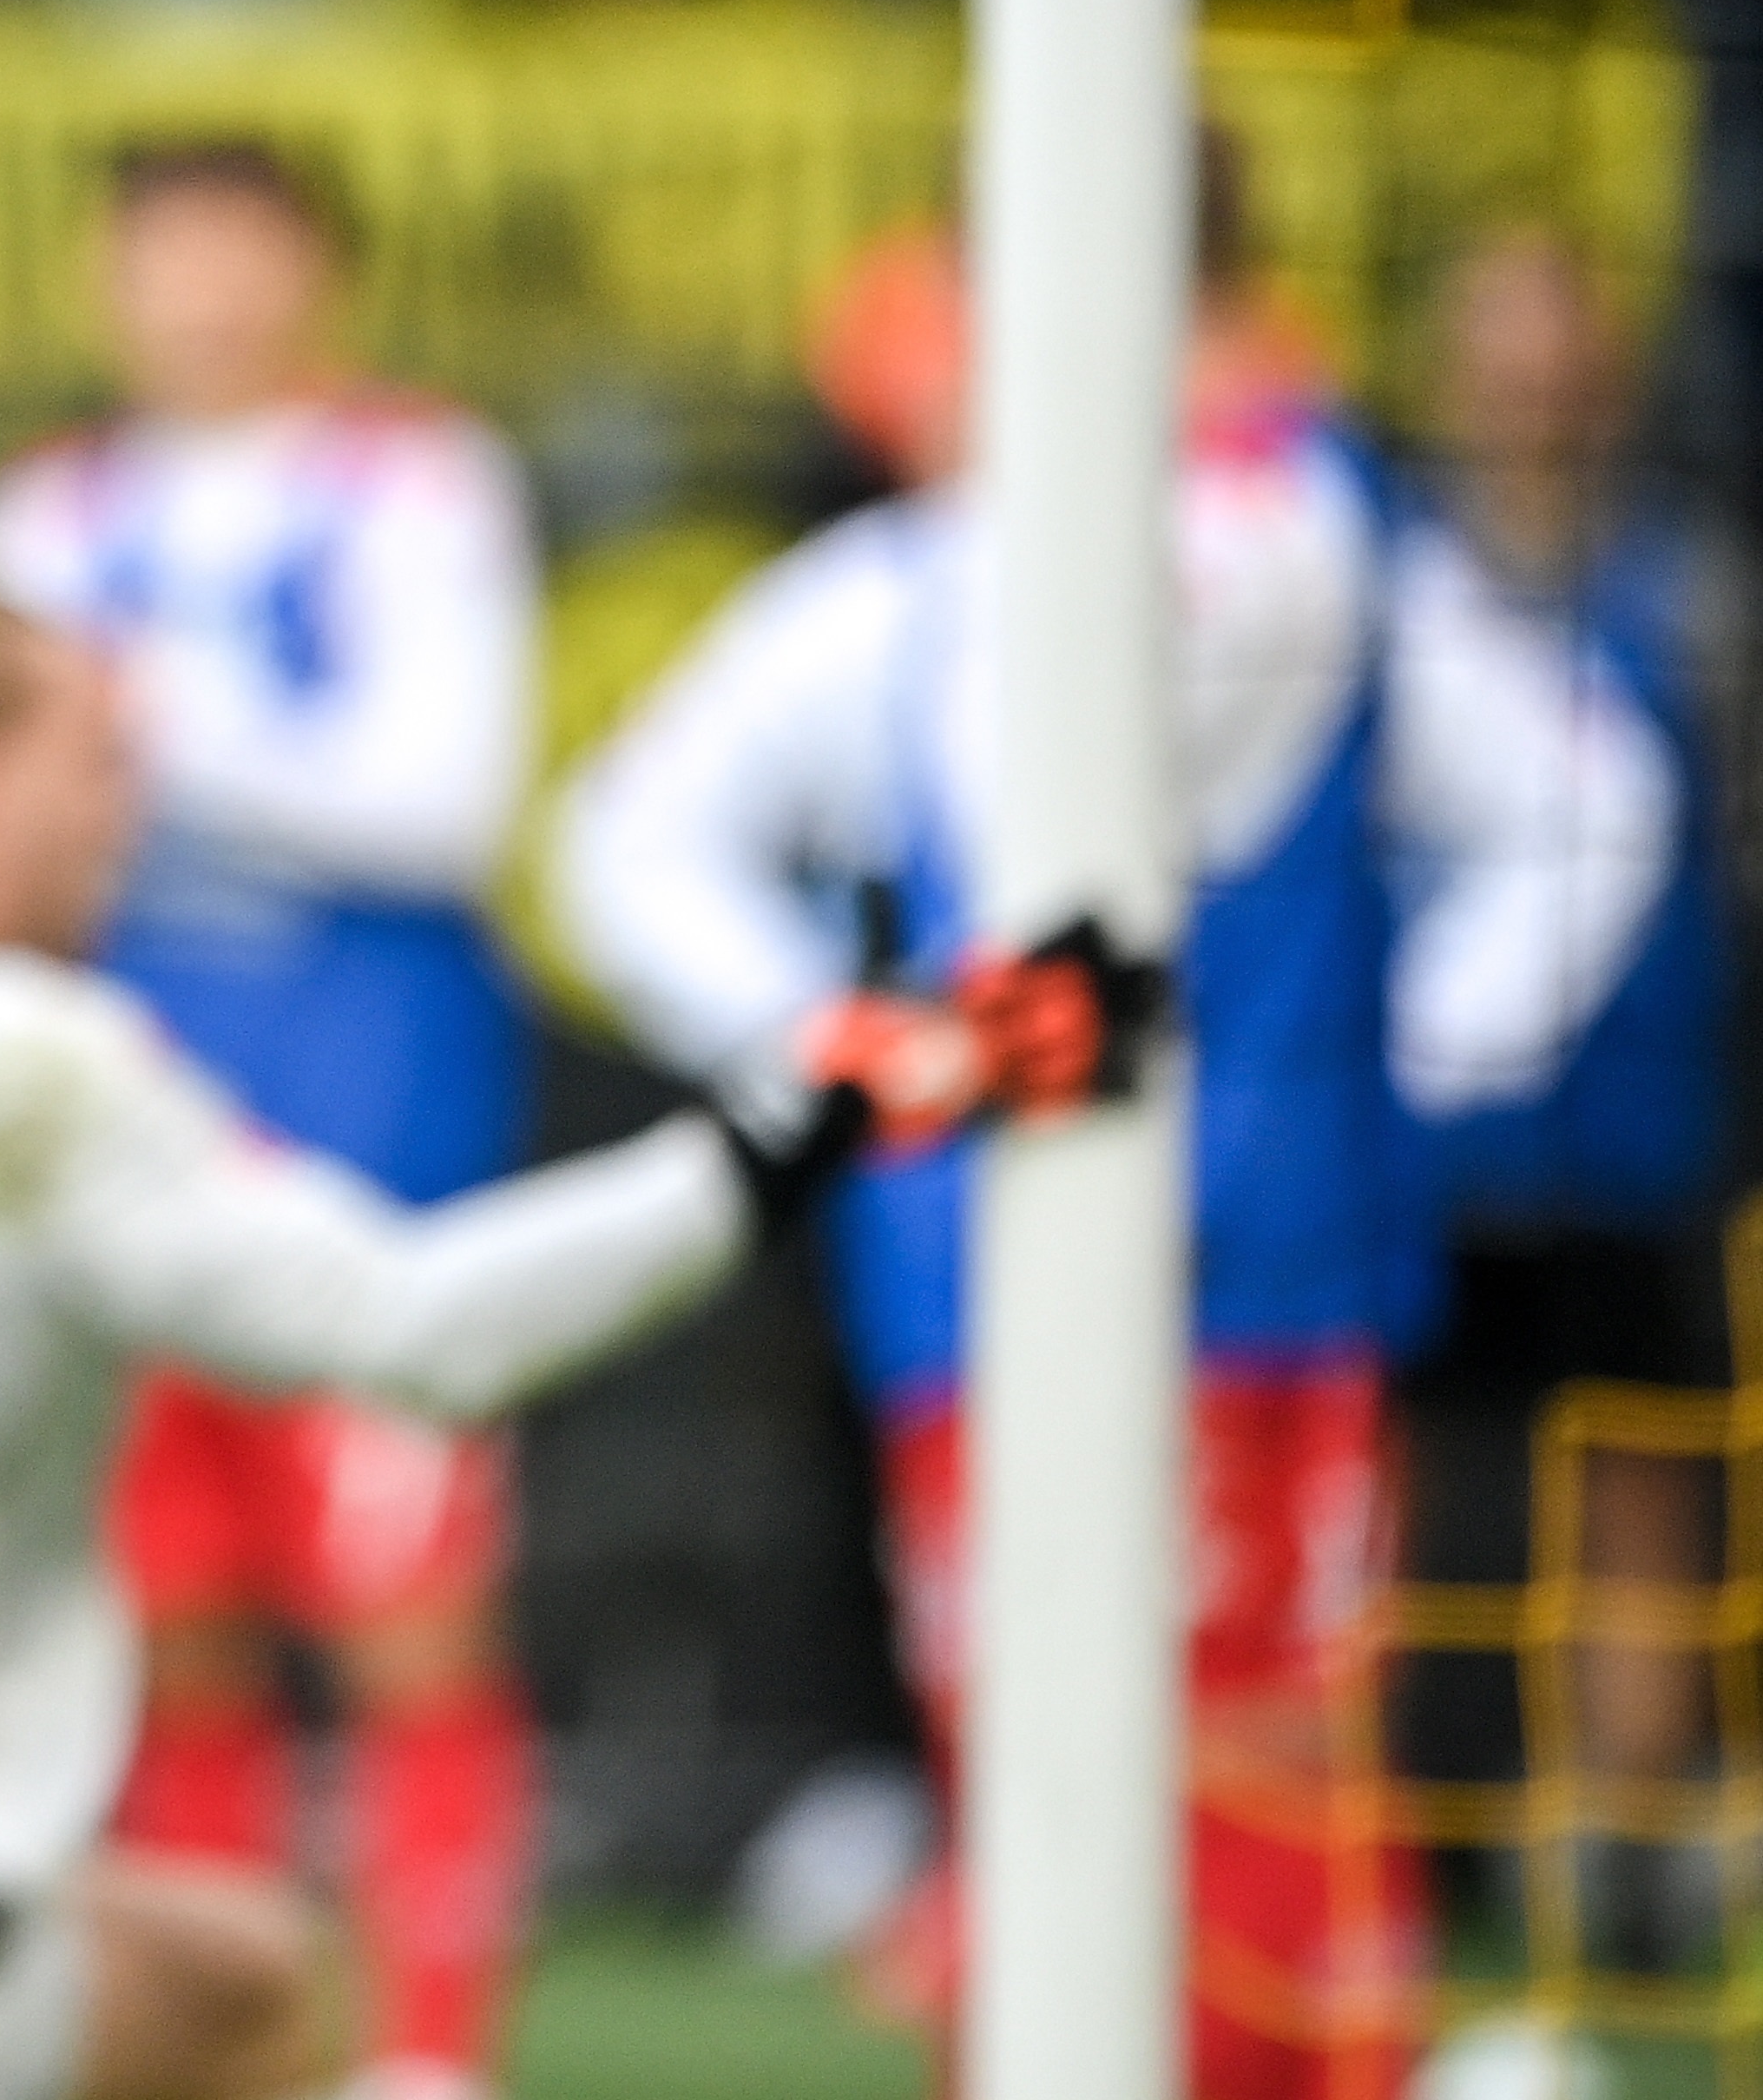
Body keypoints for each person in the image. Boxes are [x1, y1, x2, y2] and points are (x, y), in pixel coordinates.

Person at [0, 545, 1120, 2100]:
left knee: (250, 1990)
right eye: (97, 759)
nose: (129, 814)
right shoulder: (2, 1067)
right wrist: (791, 1126)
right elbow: (425, 1330)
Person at [554, 161, 1673, 2100]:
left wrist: (1426, 1055)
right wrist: (837, 1043)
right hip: (971, 1288)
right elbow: (625, 844)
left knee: (1262, 1743)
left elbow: (1585, 802)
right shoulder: (916, 585)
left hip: (1273, 1273)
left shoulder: (1306, 540)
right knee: (1042, 1754)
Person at [0, 140, 544, 2099]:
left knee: (409, 1623)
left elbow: (440, 803)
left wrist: (146, 726)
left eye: (239, 254)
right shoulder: (40, 509)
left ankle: (431, 2062)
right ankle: (236, 2048)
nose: (199, 296)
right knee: (171, 1635)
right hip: (118, 1156)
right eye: (160, 257)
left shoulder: (419, 481)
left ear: (321, 273)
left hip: (373, 1147)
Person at [1395, 228, 1741, 1964]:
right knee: (1398, 1484)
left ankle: (1626, 1870)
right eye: (1503, 356)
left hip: (1640, 1127)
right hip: (1424, 1141)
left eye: (1562, 357)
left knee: (1642, 1483)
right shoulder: (1380, 579)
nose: (1534, 394)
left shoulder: (1693, 594)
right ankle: (1396, 1842)